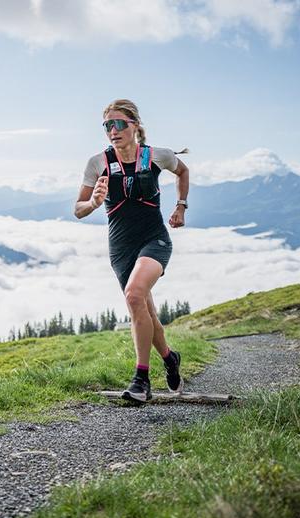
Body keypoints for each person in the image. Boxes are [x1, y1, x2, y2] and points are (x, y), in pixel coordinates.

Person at [74, 99, 190, 403]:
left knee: (134, 296)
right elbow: (78, 209)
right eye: (107, 125)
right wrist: (94, 203)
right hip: (121, 248)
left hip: (155, 240)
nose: (113, 130)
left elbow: (183, 172)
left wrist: (181, 206)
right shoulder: (97, 163)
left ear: (135, 125)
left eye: (120, 124)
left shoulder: (157, 156)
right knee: (146, 311)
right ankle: (169, 358)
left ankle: (141, 379)